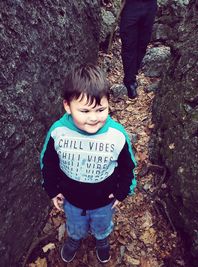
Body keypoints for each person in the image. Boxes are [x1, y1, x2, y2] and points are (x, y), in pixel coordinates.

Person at [40, 63, 137, 263]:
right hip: (71, 199)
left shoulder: (116, 135)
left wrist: (122, 191)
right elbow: (48, 162)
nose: (94, 118)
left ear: (109, 103)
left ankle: (102, 240)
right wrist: (52, 189)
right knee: (75, 225)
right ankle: (74, 239)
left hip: (103, 200)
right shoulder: (58, 132)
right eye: (84, 111)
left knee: (102, 225)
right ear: (67, 105)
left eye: (101, 109)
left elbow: (128, 167)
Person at [120, 0, 157, 99]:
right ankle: (129, 80)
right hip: (131, 6)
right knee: (128, 44)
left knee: (143, 42)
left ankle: (134, 70)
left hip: (150, 5)